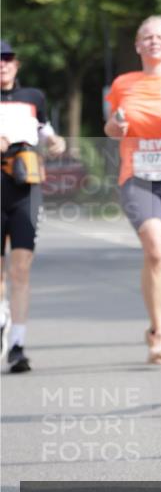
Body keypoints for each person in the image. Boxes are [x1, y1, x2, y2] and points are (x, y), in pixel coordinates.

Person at [105, 16, 161, 365]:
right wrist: (116, 125)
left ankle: (160, 323)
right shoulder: (123, 83)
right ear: (138, 45)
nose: (154, 42)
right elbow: (110, 127)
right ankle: (160, 332)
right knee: (155, 250)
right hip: (137, 174)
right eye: (147, 37)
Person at [0, 39, 66, 372]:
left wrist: (56, 143)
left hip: (25, 186)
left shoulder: (33, 98)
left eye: (8, 58)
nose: (3, 64)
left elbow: (48, 133)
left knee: (21, 268)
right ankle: (2, 316)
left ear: (16, 63)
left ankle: (18, 345)